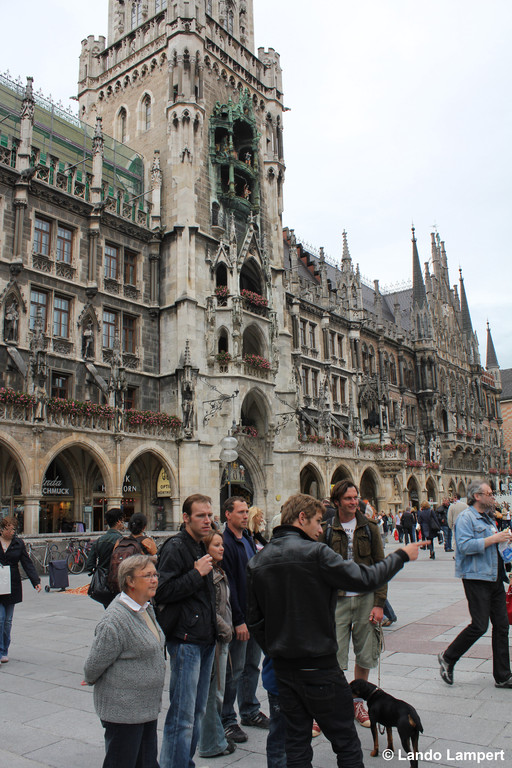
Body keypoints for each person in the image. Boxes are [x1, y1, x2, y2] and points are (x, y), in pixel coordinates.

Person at [247, 493, 425, 768]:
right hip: (320, 666)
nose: (321, 529)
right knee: (346, 742)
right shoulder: (316, 553)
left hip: (284, 669)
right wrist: (401, 555)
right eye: (318, 522)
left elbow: (254, 619)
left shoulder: (259, 560)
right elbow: (365, 578)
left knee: (295, 744)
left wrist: (273, 648)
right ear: (301, 518)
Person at [83, 555, 165, 768]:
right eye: (147, 575)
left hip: (145, 708)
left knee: (146, 762)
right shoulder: (115, 620)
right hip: (123, 711)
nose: (154, 579)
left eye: (155, 574)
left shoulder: (145, 607)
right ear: (129, 581)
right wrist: (90, 678)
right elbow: (93, 664)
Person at [156, 494, 217, 768]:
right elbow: (162, 591)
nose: (207, 520)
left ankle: (184, 762)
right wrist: (196, 573)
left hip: (204, 637)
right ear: (185, 518)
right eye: (201, 516)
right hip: (185, 640)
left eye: (209, 514)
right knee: (182, 713)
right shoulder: (175, 547)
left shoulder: (198, 546)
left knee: (197, 711)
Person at [319, 480, 386, 728]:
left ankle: (358, 703)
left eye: (355, 497)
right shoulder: (326, 529)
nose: (353, 501)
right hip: (336, 600)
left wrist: (379, 603)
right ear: (337, 501)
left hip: (365, 598)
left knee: (365, 653)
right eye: (348, 498)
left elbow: (380, 566)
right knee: (332, 655)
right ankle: (332, 704)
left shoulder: (369, 527)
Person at [438, 481, 512, 688]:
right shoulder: (466, 518)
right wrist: (493, 538)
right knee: (480, 625)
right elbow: (464, 546)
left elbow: (493, 546)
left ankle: (503, 675)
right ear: (477, 496)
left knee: (502, 626)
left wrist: (504, 543)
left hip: (495, 577)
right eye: (489, 494)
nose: (493, 497)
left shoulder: (488, 518)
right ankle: (448, 657)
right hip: (476, 578)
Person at [221, 496, 269, 744]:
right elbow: (229, 587)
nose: (244, 515)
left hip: (254, 617)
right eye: (240, 512)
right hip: (238, 619)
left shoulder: (248, 539)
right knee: (234, 670)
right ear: (228, 514)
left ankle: (249, 710)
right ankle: (227, 720)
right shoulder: (225, 543)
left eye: (246, 511)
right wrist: (238, 620)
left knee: (252, 666)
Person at [198, 531, 235, 759]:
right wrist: (226, 629)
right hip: (217, 638)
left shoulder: (219, 570)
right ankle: (211, 741)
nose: (222, 548)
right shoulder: (209, 574)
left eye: (222, 544)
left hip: (222, 637)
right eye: (217, 545)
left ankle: (216, 737)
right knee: (215, 693)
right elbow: (210, 608)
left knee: (217, 691)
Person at [0, 516, 41, 662]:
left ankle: (4, 649)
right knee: (0, 618)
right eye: (9, 529)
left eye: (13, 529)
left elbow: (26, 563)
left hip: (12, 584)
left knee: (8, 620)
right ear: (2, 529)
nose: (12, 532)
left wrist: (35, 581)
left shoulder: (18, 543)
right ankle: (0, 651)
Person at [86, 508, 125, 607]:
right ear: (119, 521)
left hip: (103, 584)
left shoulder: (99, 541)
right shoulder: (122, 540)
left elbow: (89, 565)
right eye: (123, 520)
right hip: (118, 582)